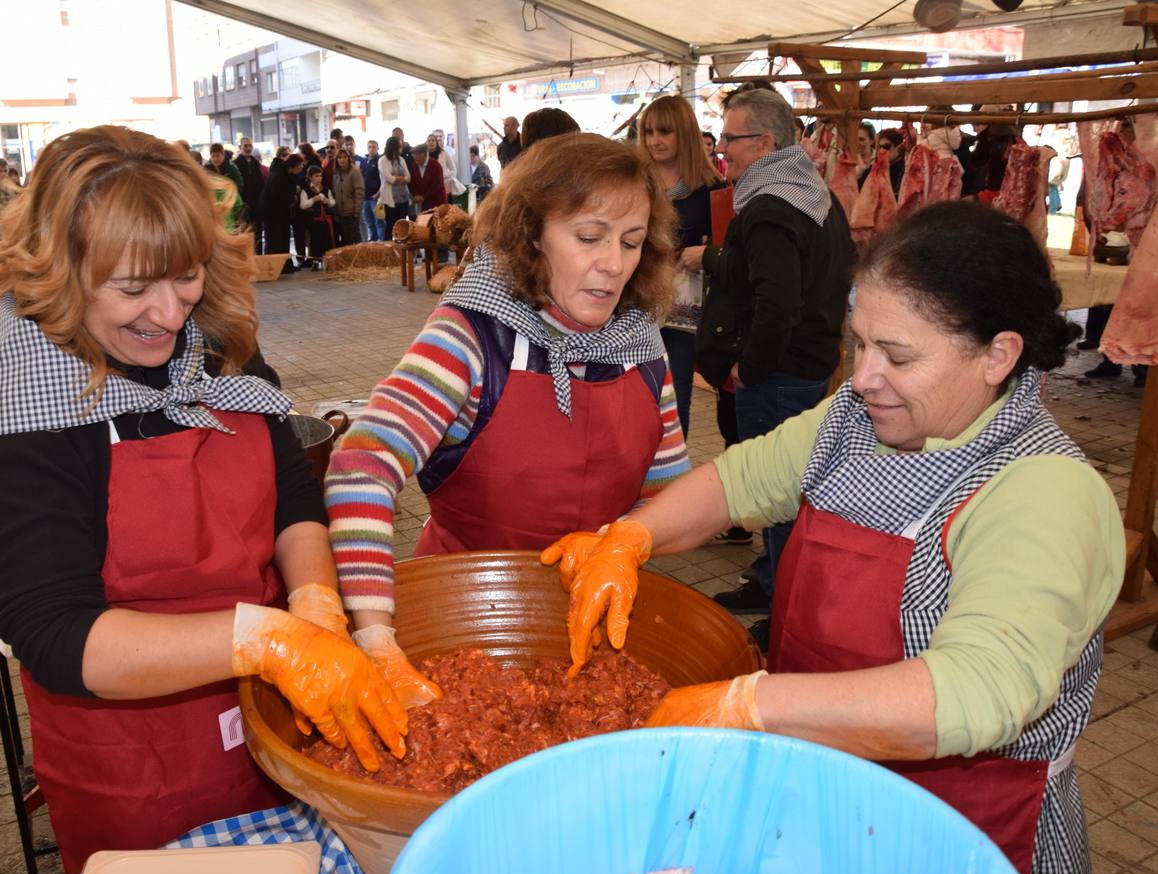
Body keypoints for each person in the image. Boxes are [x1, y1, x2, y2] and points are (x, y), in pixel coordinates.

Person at [550, 202, 1121, 874]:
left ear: (997, 355)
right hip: (820, 803)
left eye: (898, 355)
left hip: (966, 836)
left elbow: (979, 690)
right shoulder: (854, 420)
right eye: (860, 344)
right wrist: (632, 538)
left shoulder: (1044, 492)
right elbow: (737, 482)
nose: (863, 377)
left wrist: (749, 705)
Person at [0, 125, 407, 873]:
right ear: (63, 271)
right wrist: (268, 640)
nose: (167, 313)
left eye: (185, 274)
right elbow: (54, 634)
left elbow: (293, 496)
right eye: (132, 289)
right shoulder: (22, 407)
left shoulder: (216, 339)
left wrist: (316, 604)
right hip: (135, 770)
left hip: (275, 731)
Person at [324, 132, 691, 701]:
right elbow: (360, 468)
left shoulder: (642, 345)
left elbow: (667, 495)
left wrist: (623, 544)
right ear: (533, 235)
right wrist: (374, 637)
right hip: (461, 625)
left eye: (632, 241)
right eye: (589, 237)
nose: (613, 265)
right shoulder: (470, 337)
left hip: (594, 627)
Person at [694, 88, 855, 619]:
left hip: (779, 374)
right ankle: (771, 578)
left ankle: (783, 611)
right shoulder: (809, 191)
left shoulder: (769, 206)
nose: (722, 149)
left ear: (764, 143)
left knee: (780, 493)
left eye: (729, 138)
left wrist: (749, 367)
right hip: (805, 366)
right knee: (789, 485)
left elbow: (777, 302)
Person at [639, 94, 726, 438]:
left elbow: (724, 251)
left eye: (664, 131)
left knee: (676, 399)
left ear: (685, 134)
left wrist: (704, 253)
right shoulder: (635, 183)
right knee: (635, 394)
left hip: (684, 315)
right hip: (636, 305)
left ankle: (672, 477)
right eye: (648, 132)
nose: (654, 140)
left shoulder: (712, 191)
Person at [260, 153, 307, 274]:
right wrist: (293, 197)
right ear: (293, 166)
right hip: (273, 214)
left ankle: (285, 265)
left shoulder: (287, 174)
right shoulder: (278, 175)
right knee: (275, 240)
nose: (301, 168)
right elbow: (277, 196)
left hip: (282, 213)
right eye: (300, 166)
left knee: (284, 239)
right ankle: (275, 267)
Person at [298, 166, 335, 267]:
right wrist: (313, 200)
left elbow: (332, 202)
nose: (319, 178)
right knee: (315, 241)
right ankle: (315, 261)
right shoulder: (306, 190)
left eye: (320, 176)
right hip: (313, 221)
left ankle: (327, 261)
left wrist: (327, 201)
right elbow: (302, 205)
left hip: (325, 220)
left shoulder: (326, 189)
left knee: (326, 240)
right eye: (316, 176)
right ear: (310, 177)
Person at [233, 138, 267, 251]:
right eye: (245, 146)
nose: (248, 148)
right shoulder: (235, 165)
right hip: (243, 206)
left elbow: (261, 183)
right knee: (244, 234)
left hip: (257, 205)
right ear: (240, 147)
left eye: (250, 146)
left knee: (257, 234)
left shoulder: (255, 163)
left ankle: (258, 258)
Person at [376, 136, 413, 235]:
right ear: (394, 147)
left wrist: (398, 179)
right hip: (390, 199)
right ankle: (389, 248)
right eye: (399, 146)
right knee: (390, 226)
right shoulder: (382, 160)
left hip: (403, 197)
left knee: (402, 226)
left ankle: (401, 248)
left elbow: (408, 177)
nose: (401, 148)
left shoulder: (401, 159)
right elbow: (389, 179)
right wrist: (401, 179)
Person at [329, 147, 364, 248]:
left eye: (344, 157)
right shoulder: (335, 173)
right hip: (339, 213)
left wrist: (356, 211)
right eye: (339, 157)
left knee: (354, 239)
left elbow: (359, 192)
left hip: (352, 212)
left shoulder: (354, 172)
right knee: (344, 240)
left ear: (349, 158)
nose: (342, 159)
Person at [359, 139, 383, 241]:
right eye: (370, 147)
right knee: (369, 222)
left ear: (378, 148)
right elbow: (360, 177)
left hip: (377, 198)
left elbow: (383, 179)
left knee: (380, 221)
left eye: (374, 147)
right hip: (365, 198)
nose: (371, 149)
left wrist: (379, 193)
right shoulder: (363, 161)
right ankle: (373, 241)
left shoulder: (380, 160)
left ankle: (382, 242)